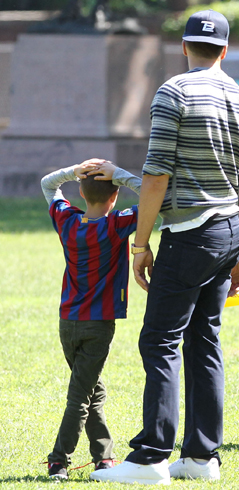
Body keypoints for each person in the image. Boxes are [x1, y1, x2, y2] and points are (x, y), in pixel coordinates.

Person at [90, 9, 239, 485]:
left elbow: (155, 177)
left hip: (189, 234)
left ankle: (150, 458)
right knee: (205, 340)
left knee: (160, 339)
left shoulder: (174, 92)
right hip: (229, 231)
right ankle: (201, 458)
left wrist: (140, 244)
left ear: (184, 47)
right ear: (225, 51)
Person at [41, 159, 142, 480]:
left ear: (81, 195)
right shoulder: (117, 224)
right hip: (99, 325)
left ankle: (104, 457)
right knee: (80, 397)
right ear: (114, 198)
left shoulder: (67, 221)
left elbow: (48, 184)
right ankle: (59, 461)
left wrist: (75, 171)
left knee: (91, 391)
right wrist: (120, 176)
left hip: (67, 321)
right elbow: (160, 197)